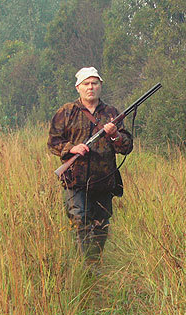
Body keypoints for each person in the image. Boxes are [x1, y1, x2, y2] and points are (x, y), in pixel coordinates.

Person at [48, 67, 133, 265]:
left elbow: (126, 147)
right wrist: (72, 148)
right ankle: (86, 266)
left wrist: (114, 135)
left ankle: (94, 262)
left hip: (104, 180)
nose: (90, 87)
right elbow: (53, 142)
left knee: (101, 225)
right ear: (78, 87)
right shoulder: (66, 112)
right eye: (86, 84)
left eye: (94, 83)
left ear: (100, 86)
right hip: (75, 180)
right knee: (80, 222)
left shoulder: (111, 113)